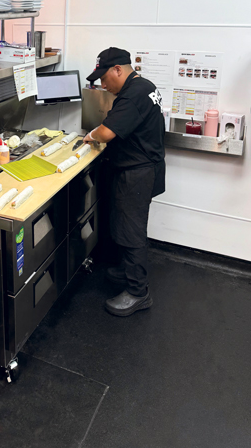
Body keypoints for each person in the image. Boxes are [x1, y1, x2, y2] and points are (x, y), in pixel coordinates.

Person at [83, 47, 166, 317]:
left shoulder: (133, 95)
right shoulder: (145, 86)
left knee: (131, 233)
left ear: (118, 69)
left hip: (137, 173)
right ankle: (127, 271)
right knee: (124, 225)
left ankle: (138, 293)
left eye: (104, 79)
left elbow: (106, 133)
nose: (103, 85)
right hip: (141, 168)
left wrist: (90, 135)